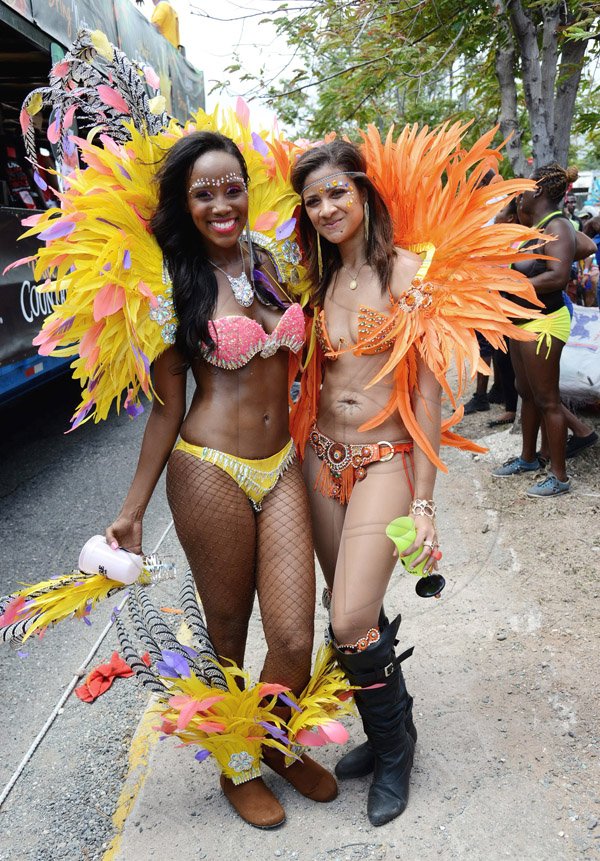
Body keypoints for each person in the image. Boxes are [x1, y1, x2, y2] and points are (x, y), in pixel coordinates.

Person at [288, 133, 542, 827]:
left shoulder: (409, 275)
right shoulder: (316, 282)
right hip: (320, 460)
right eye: (311, 200)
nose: (326, 207)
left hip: (385, 461)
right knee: (352, 616)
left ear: (365, 190)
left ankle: (395, 751)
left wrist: (425, 501)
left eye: (337, 191)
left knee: (348, 617)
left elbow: (426, 398)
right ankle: (389, 726)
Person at [492, 163, 580, 496]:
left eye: (524, 189)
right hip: (522, 323)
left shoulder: (558, 226)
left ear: (538, 190)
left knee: (548, 400)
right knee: (525, 391)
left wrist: (514, 285)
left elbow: (558, 277)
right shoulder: (536, 227)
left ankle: (559, 477)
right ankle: (528, 458)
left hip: (544, 323)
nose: (520, 196)